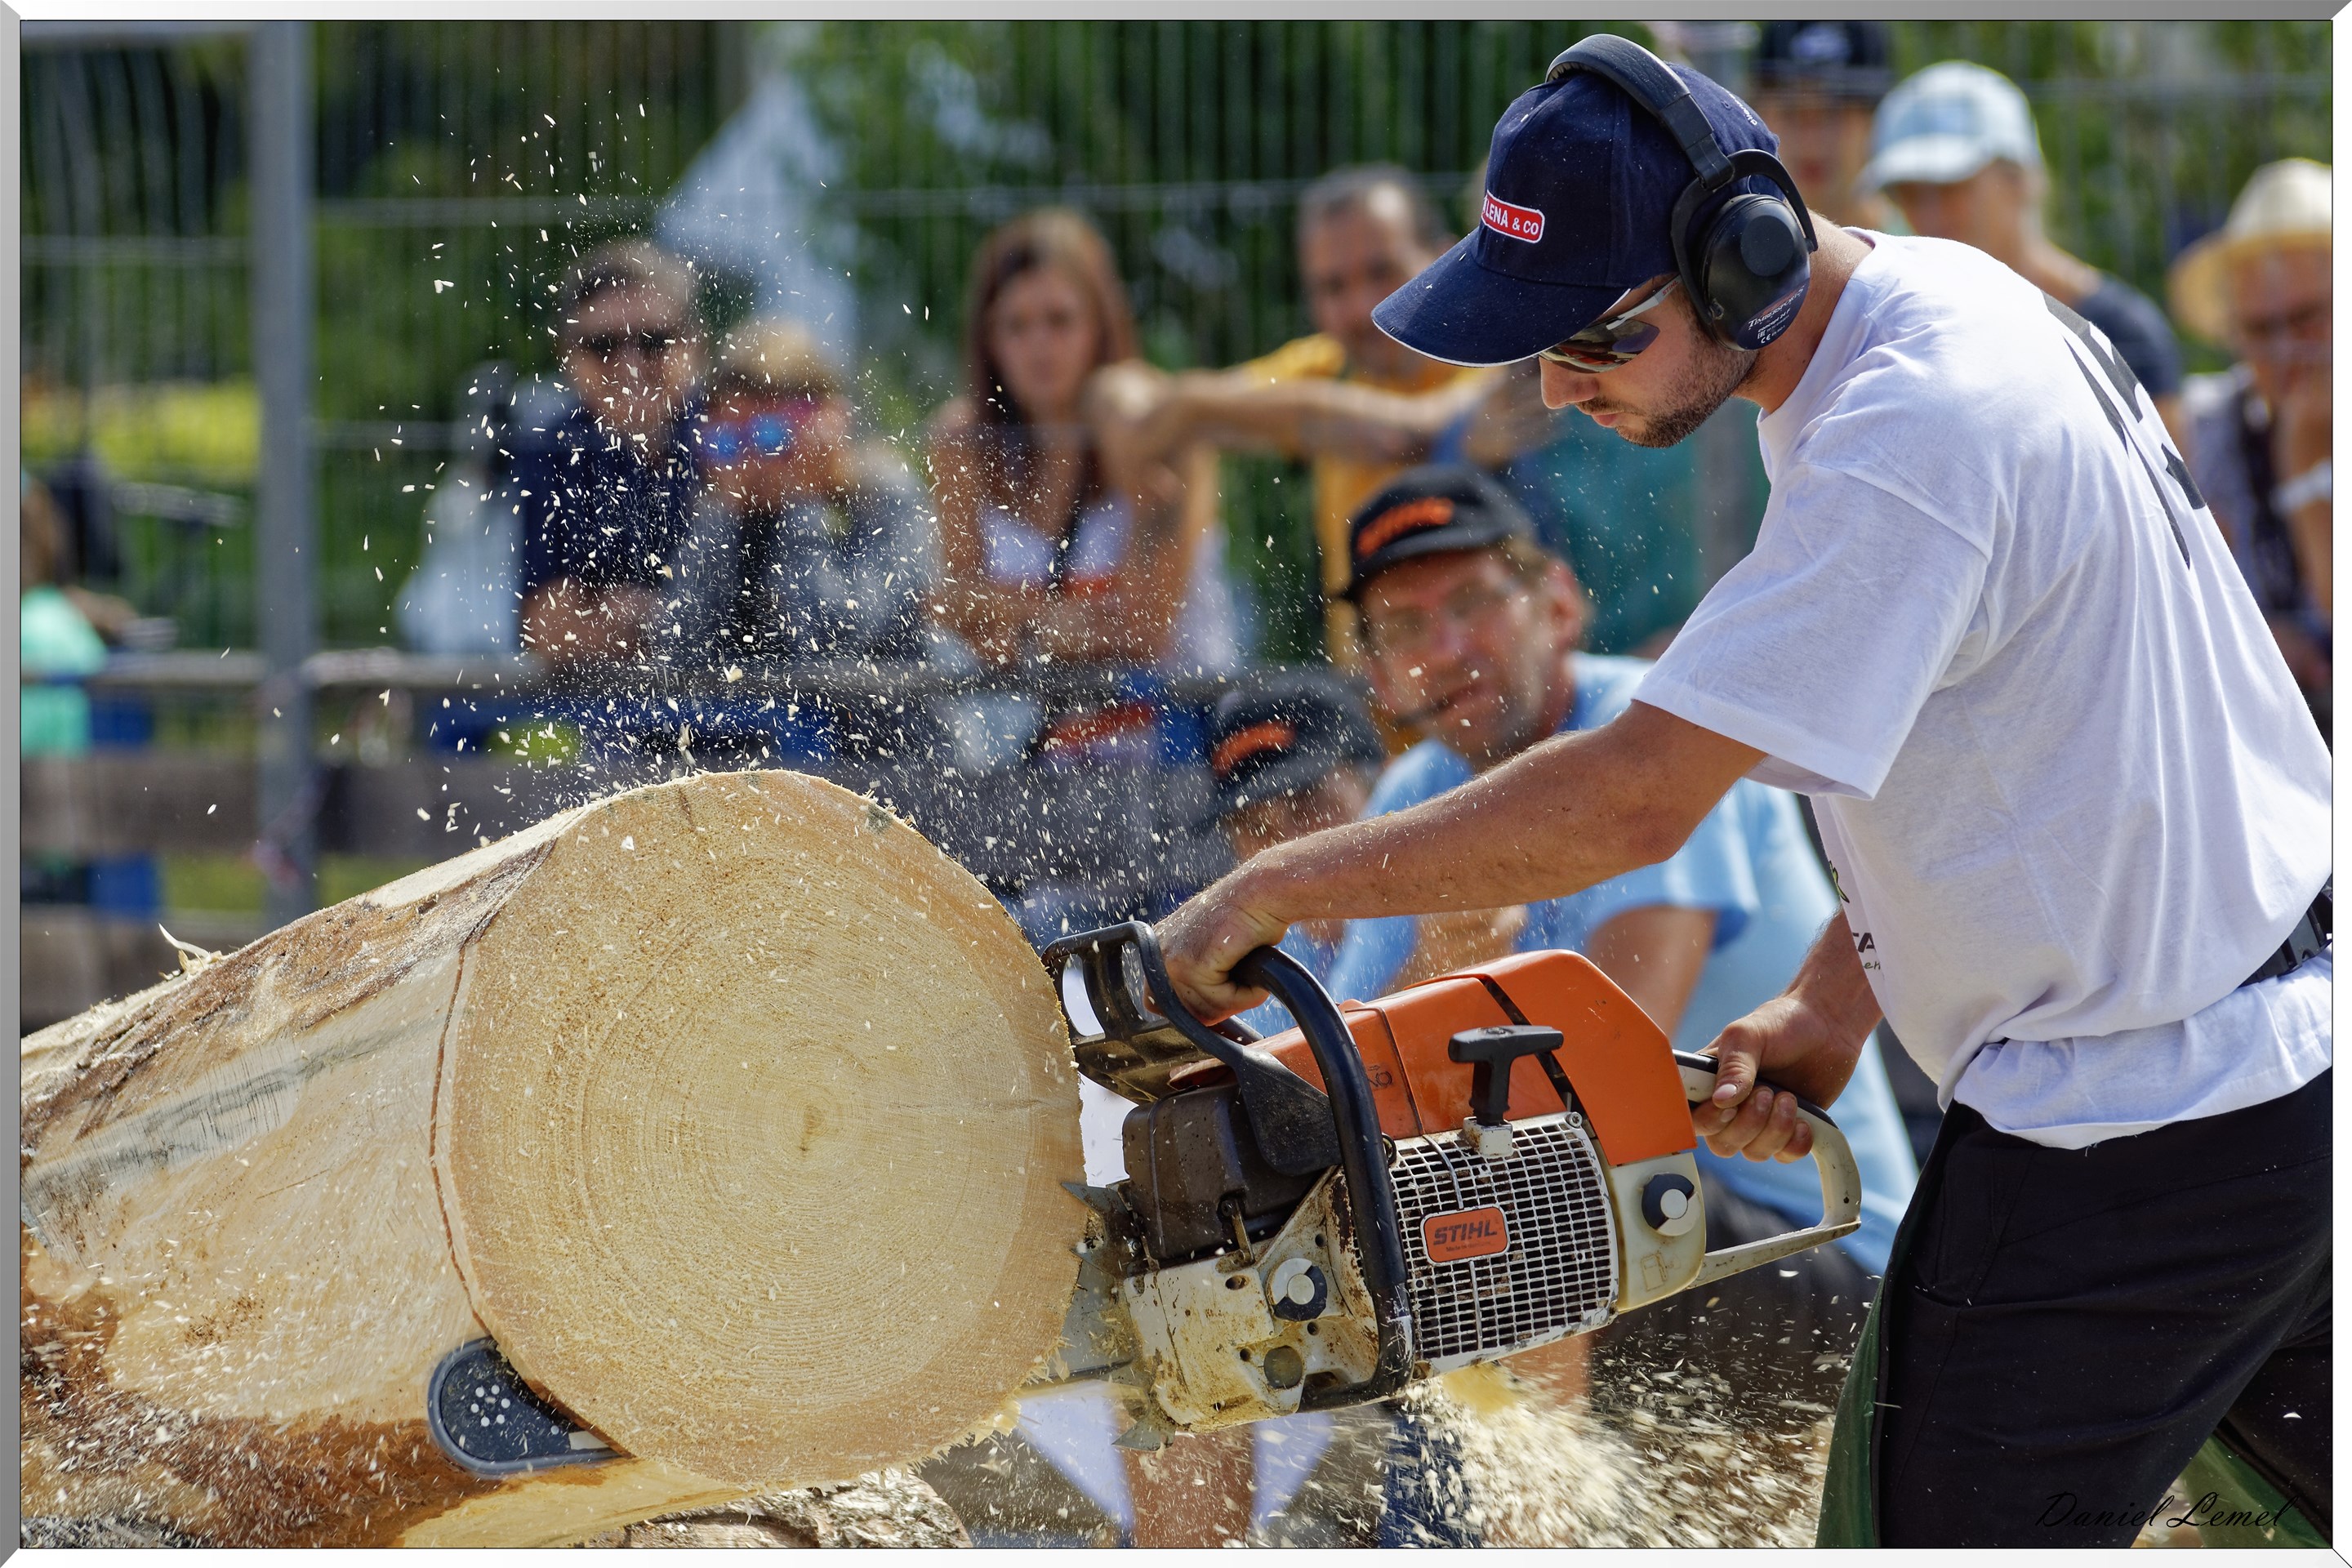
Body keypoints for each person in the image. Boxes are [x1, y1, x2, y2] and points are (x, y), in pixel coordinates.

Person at [1155, 38, 2330, 1548]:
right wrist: (1839, 999)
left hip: (2137, 1126)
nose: (1559, 387)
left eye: (1597, 337)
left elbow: (1636, 799)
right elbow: (2036, 749)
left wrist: (1270, 889)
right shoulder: (1946, 310)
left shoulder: (1908, 427)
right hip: (2272, 1074)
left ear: (1744, 255)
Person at [1322, 465, 1914, 1428]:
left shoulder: (1651, 732)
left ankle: (1513, 1509)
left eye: (1473, 602)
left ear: (1558, 603)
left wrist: (1439, 1007)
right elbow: (1338, 1092)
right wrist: (1437, 970)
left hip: (1827, 1256)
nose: (1448, 647)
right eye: (1404, 626)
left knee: (1536, 1194)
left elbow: (1602, 1090)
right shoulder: (1411, 795)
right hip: (1660, 1241)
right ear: (1378, 674)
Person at [1085, 167, 1492, 666]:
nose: (1361, 307)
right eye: (1333, 287)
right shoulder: (1329, 366)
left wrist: (1191, 408)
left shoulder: (1494, 356)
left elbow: (1410, 432)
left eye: (1382, 272)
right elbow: (1138, 402)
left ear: (1445, 258)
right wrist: (1129, 399)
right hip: (1367, 692)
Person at [926, 207, 1236, 681]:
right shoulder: (963, 439)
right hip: (1032, 725)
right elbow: (949, 606)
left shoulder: (1156, 424)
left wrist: (1011, 617)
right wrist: (1054, 622)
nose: (1039, 345)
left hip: (1172, 717)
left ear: (1099, 326)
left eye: (1060, 320)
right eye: (1016, 325)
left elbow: (1145, 630)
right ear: (989, 340)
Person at [1860, 60, 2188, 443]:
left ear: (2021, 179)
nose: (1929, 212)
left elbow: (2170, 481)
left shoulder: (2122, 334)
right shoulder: (1890, 336)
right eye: (1909, 192)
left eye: (1948, 185)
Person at [2169, 158, 2332, 739]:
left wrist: (2304, 461)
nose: (2286, 350)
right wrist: (2256, 637)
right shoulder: (2210, 428)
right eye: (2262, 330)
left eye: (2307, 318)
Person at [675, 318, 937, 669]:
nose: (752, 463)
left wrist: (803, 505)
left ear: (831, 422)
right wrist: (725, 524)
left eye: (769, 437)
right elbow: (680, 643)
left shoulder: (885, 495)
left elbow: (835, 638)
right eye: (728, 442)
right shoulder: (726, 509)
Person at [513, 239, 709, 669]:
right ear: (567, 355)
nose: (630, 364)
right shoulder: (551, 448)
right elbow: (545, 628)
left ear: (694, 344)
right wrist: (682, 621)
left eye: (654, 342)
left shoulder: (732, 432)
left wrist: (610, 612)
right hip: (603, 702)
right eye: (602, 345)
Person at [1205, 672, 1387, 1036]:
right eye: (1254, 826)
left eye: (1308, 804)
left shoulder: (1467, 900)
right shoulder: (1259, 961)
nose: (1285, 850)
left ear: (1385, 787)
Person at [1745, 21, 1904, 233]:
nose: (1811, 143)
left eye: (1833, 114)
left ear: (1876, 119)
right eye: (1791, 112)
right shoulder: (1715, 243)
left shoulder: (1925, 239)